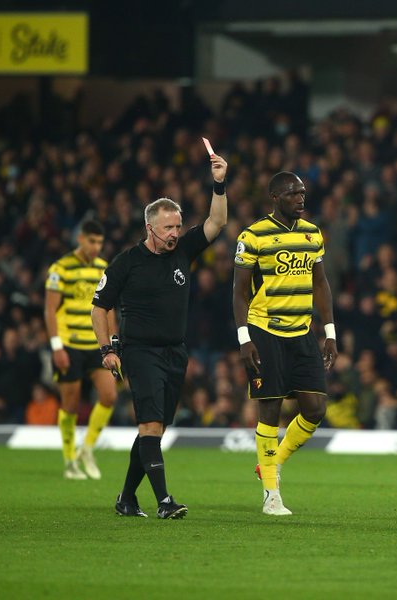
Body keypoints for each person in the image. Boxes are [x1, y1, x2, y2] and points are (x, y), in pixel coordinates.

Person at [92, 152, 228, 519]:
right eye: (168, 228)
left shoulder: (183, 251)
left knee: (154, 431)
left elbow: (217, 221)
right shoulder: (126, 263)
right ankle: (165, 502)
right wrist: (107, 349)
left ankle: (126, 499)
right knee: (150, 425)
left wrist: (218, 183)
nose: (175, 234)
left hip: (175, 353)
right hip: (140, 352)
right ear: (149, 228)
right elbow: (99, 308)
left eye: (178, 227)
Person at [233, 171, 337, 516]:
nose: (300, 198)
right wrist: (245, 338)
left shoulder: (312, 234)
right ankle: (271, 495)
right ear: (275, 198)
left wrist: (330, 332)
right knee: (270, 409)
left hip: (302, 331)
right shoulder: (253, 236)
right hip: (265, 330)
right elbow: (238, 291)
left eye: (302, 192)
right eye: (292, 193)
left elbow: (320, 283)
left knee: (315, 409)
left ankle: (272, 463)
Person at [45, 219, 117, 480]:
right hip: (69, 345)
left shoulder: (103, 268)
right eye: (92, 241)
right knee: (71, 404)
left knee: (109, 396)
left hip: (97, 345)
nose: (96, 247)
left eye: (100, 242)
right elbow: (49, 310)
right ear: (80, 239)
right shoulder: (61, 268)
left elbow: (108, 309)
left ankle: (86, 449)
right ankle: (69, 460)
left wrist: (113, 344)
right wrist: (57, 347)